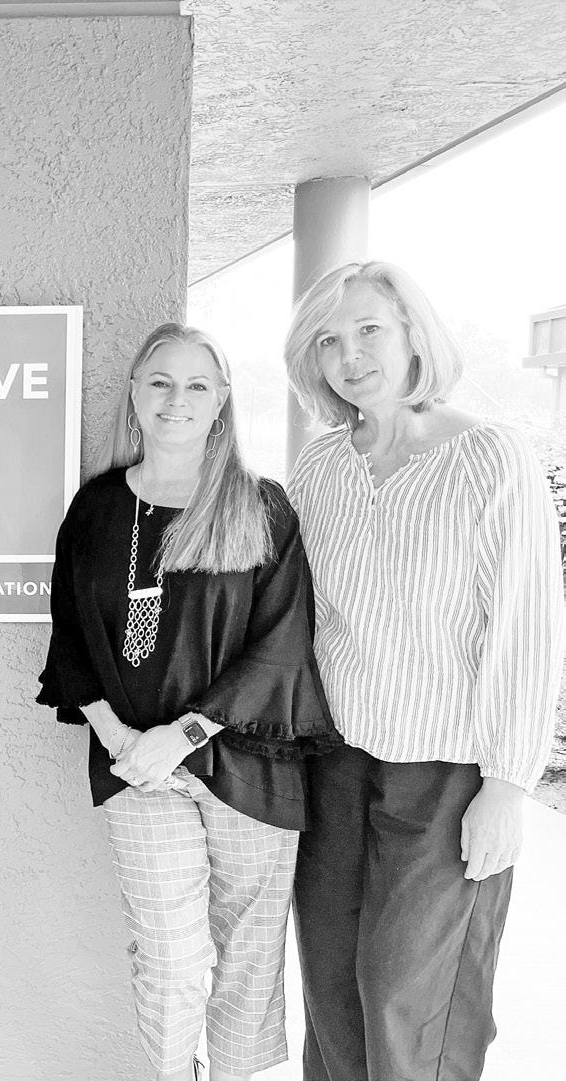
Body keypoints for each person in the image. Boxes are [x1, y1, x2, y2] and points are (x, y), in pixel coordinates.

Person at [284, 261, 563, 1081]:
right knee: (330, 991)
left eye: (368, 328)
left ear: (412, 333)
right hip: (332, 766)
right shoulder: (317, 469)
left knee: (407, 1001)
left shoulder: (489, 457)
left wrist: (506, 785)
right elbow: (298, 622)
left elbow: (525, 627)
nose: (349, 355)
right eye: (327, 340)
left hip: (445, 774)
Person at [38, 323, 337, 1081]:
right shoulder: (97, 509)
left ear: (221, 398)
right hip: (138, 767)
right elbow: (69, 636)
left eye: (197, 384)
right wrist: (118, 737)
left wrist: (185, 732)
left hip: (249, 763)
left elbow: (281, 641)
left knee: (247, 957)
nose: (177, 399)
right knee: (170, 956)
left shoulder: (259, 506)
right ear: (135, 392)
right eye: (160, 381)